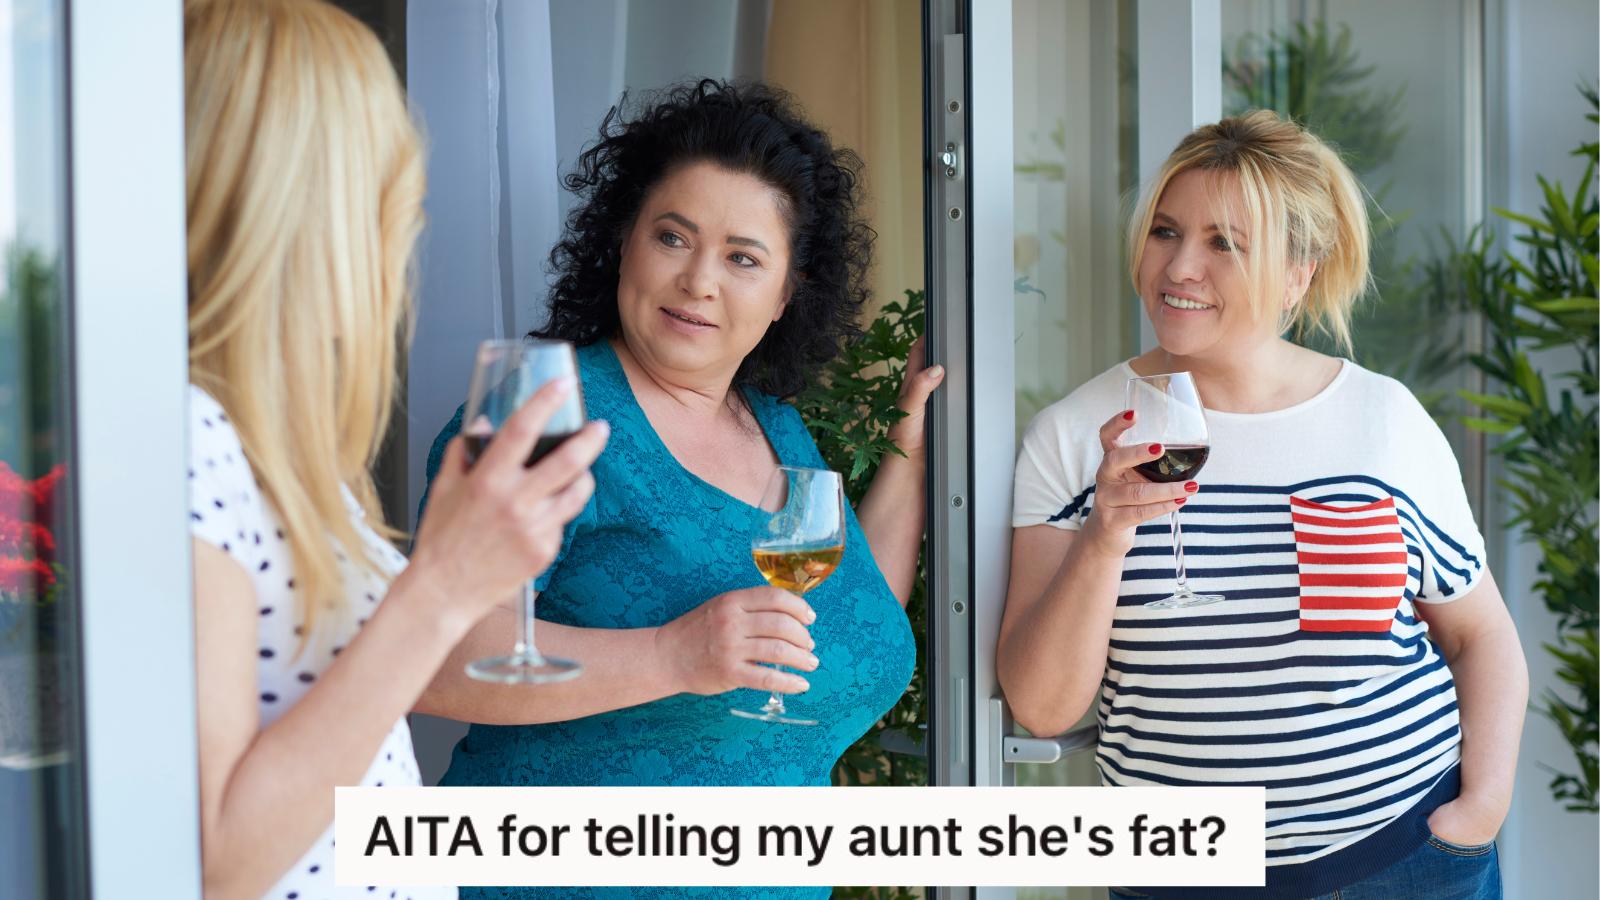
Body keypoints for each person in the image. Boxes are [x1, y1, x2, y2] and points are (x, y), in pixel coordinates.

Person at [414, 79, 942, 898]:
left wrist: (910, 451)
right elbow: (434, 662)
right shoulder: (541, 414)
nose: (699, 280)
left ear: (787, 293)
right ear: (623, 242)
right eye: (672, 237)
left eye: (742, 258)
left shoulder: (777, 428)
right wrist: (670, 656)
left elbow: (843, 609)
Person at [999, 110, 1527, 900]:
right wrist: (1105, 534)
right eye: (1166, 232)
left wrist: (1480, 808)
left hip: (1403, 861)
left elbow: (1480, 633)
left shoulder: (1382, 420)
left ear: (1297, 275)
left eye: (1226, 244)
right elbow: (1042, 709)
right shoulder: (1075, 436)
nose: (1180, 267)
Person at [183, 1, 607, 897]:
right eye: (390, 191)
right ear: (312, 210)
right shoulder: (188, 440)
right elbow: (214, 860)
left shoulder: (276, 454)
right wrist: (444, 584)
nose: (406, 231)